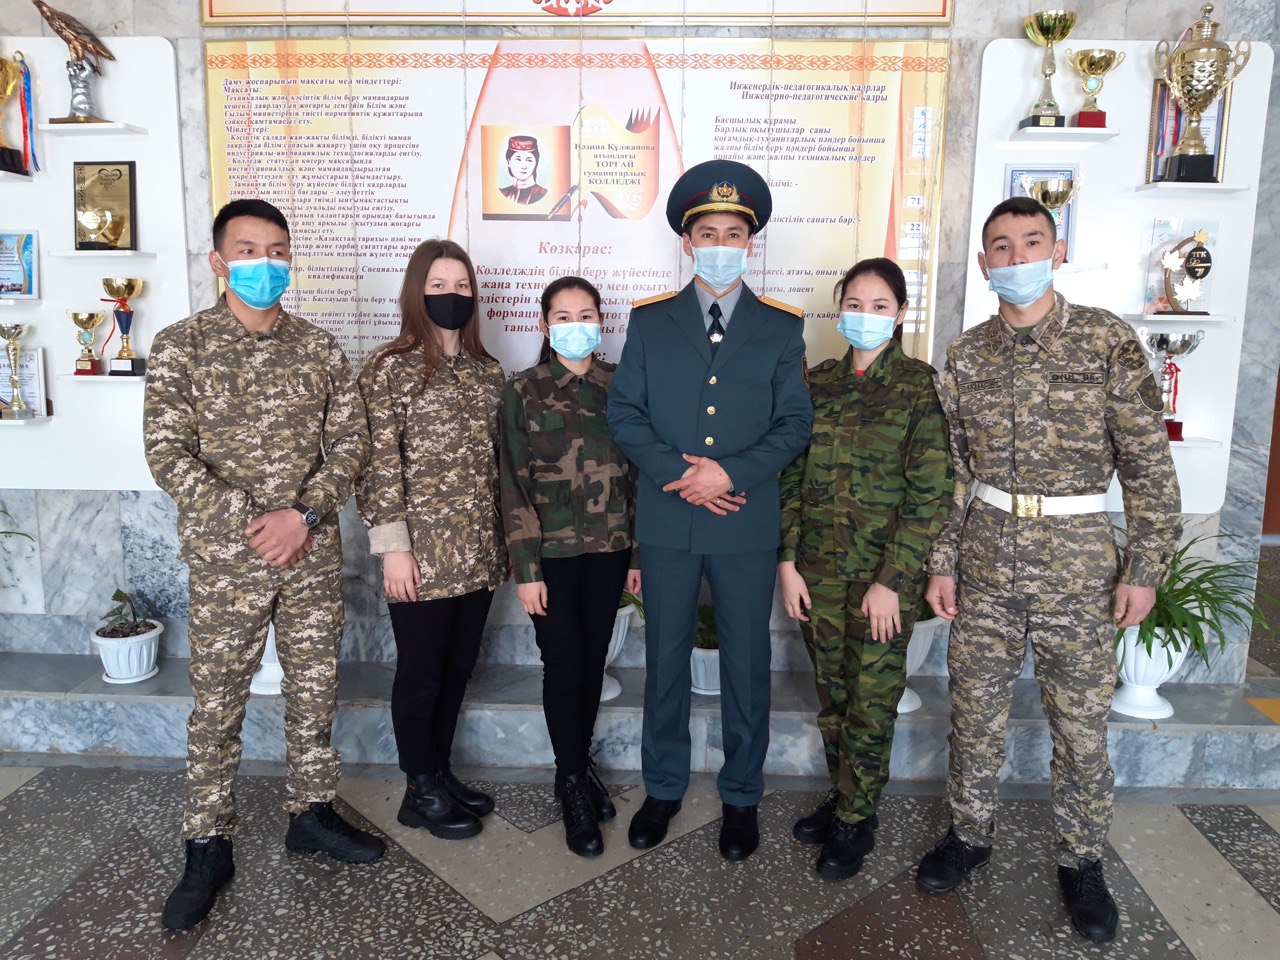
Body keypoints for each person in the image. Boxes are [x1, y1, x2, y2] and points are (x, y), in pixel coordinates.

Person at [914, 197, 1180, 943]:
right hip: (987, 562)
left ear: (1056, 252)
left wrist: (1145, 567)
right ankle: (968, 835)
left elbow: (1148, 465)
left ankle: (1082, 861)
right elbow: (954, 473)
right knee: (974, 717)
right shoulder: (966, 355)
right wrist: (943, 562)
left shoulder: (1104, 339)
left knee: (1081, 727)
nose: (1017, 257)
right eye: (1002, 247)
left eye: (1032, 242)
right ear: (984, 263)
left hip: (1079, 565)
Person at [145, 198, 384, 932]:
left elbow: (351, 444)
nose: (265, 263)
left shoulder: (318, 347)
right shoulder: (181, 346)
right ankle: (207, 842)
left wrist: (302, 516)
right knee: (218, 702)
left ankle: (310, 813)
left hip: (308, 555)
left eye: (277, 250)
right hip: (228, 563)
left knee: (315, 691)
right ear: (218, 262)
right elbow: (167, 454)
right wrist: (256, 524)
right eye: (248, 251)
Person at [608, 160, 813, 862]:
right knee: (664, 659)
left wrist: (728, 472)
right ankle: (663, 788)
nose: (720, 245)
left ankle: (742, 794)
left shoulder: (781, 327)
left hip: (744, 520)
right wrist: (682, 475)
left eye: (733, 234)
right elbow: (625, 414)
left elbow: (794, 423)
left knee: (746, 663)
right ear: (687, 242)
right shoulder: (651, 321)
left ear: (750, 242)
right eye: (707, 234)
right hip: (670, 521)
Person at [779, 257, 952, 881]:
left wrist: (892, 583)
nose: (865, 315)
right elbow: (791, 476)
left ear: (900, 314)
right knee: (833, 696)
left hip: (882, 579)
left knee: (872, 701)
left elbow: (930, 493)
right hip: (817, 571)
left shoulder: (920, 387)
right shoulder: (817, 383)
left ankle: (858, 818)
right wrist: (788, 561)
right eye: (855, 303)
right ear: (839, 307)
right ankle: (843, 793)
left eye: (880, 306)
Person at [357, 239, 507, 841]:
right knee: (421, 673)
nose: (452, 295)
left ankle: (440, 773)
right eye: (439, 285)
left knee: (457, 668)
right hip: (419, 556)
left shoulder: (487, 371)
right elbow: (376, 465)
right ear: (417, 291)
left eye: (462, 285)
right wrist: (393, 547)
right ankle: (418, 789)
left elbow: (498, 466)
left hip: (478, 552)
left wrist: (506, 546)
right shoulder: (389, 367)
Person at [498, 276, 641, 857]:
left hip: (610, 550)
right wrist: (526, 568)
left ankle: (579, 769)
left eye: (586, 315)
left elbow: (637, 474)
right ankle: (571, 783)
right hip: (551, 555)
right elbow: (512, 482)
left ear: (601, 321)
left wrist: (636, 556)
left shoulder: (623, 384)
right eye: (563, 316)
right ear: (544, 324)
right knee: (563, 663)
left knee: (592, 660)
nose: (576, 325)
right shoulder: (523, 390)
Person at [500, 135, 548, 205]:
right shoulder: (503, 193)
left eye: (529, 160)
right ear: (508, 162)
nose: (523, 166)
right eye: (518, 159)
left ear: (536, 162)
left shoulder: (542, 194)